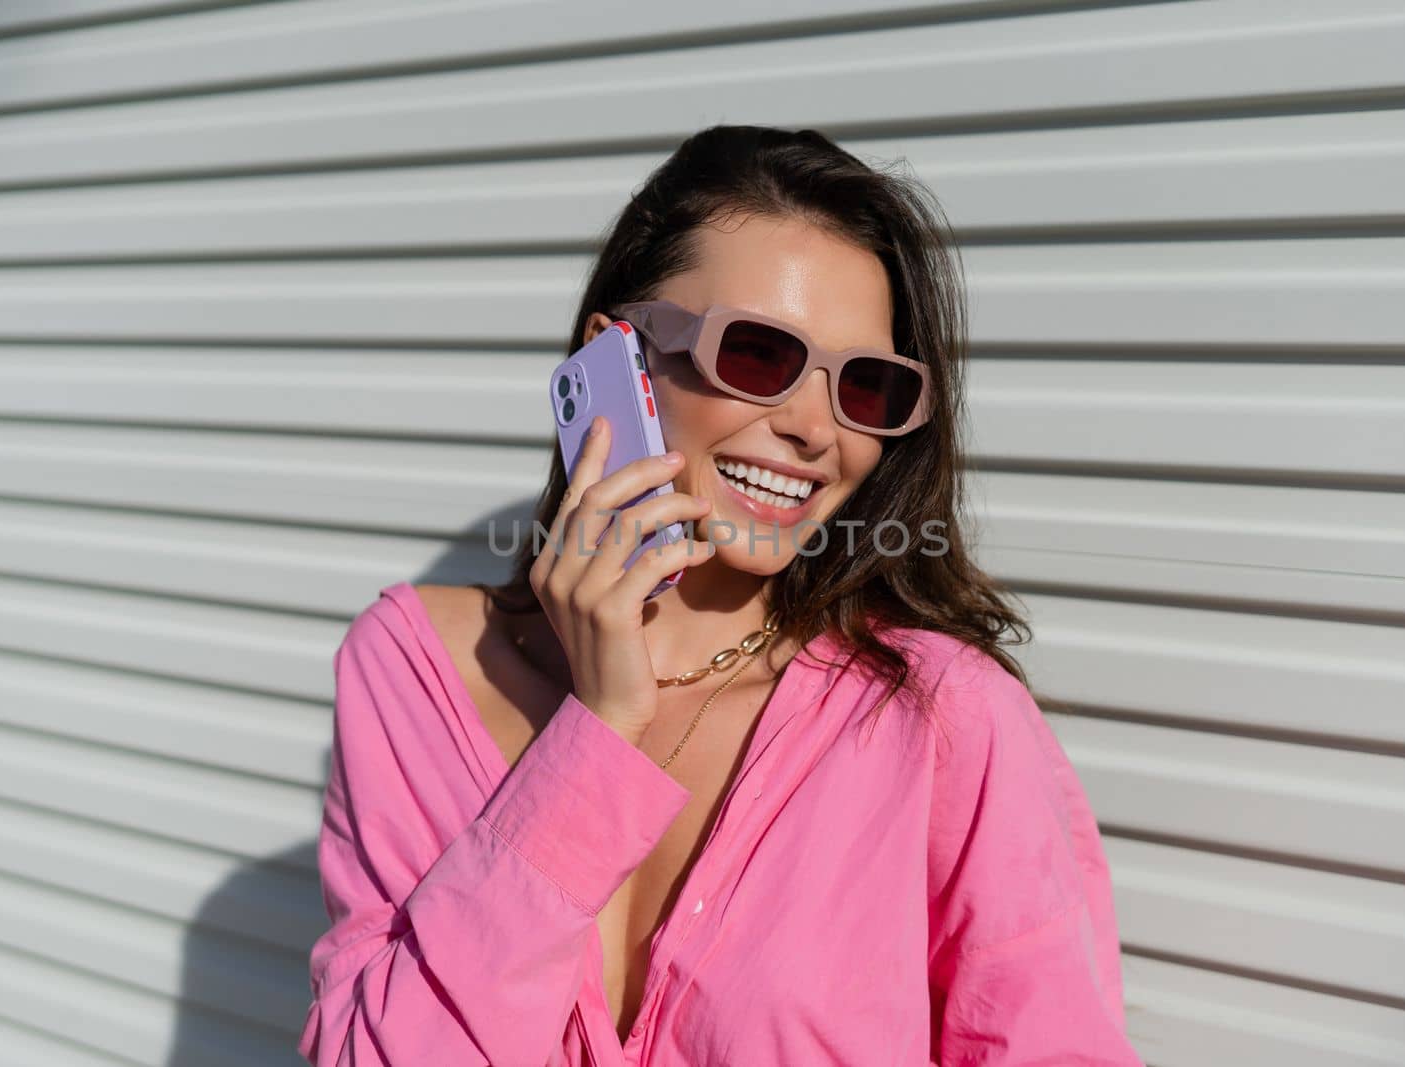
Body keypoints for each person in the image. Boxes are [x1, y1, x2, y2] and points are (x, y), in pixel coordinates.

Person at [298, 124, 1145, 1066]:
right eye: (757, 355)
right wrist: (600, 730)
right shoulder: (414, 668)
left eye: (865, 384)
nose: (815, 429)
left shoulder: (942, 718)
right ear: (611, 358)